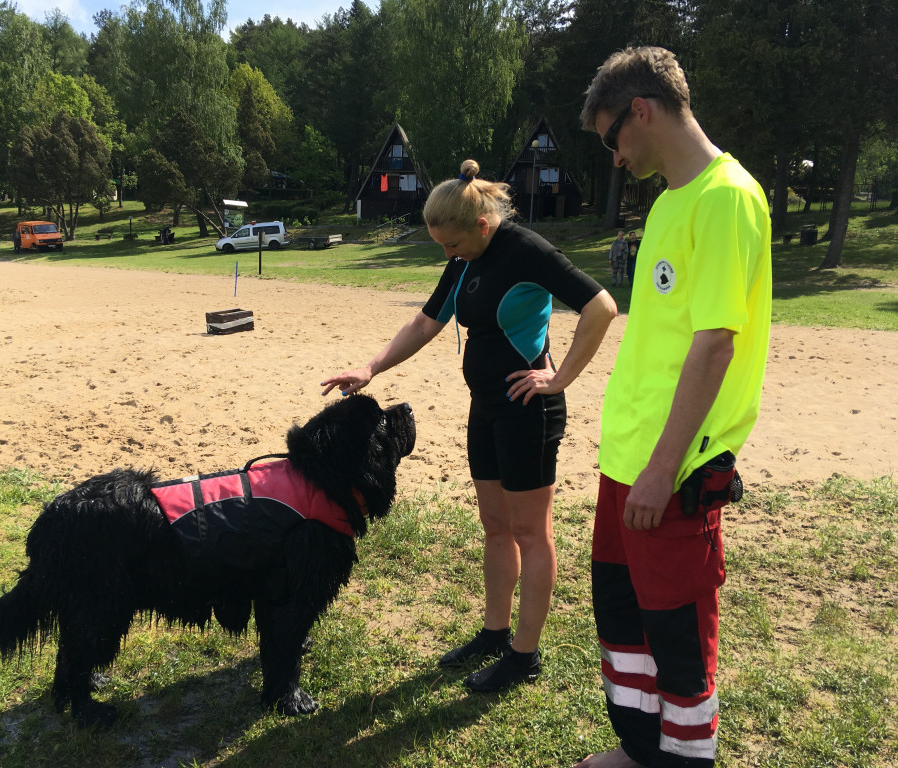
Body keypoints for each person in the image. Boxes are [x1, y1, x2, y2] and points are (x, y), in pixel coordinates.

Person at [322, 158, 617, 693]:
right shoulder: (464, 259)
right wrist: (371, 367)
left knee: (531, 531)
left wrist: (560, 378)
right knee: (495, 525)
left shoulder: (527, 250)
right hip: (486, 408)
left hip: (530, 412)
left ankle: (524, 656)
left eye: (451, 244)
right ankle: (495, 633)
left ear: (481, 225)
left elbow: (601, 306)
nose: (446, 254)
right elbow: (426, 320)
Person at [575, 47, 772, 768]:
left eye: (611, 139)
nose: (615, 159)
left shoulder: (727, 196)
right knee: (625, 619)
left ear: (642, 110)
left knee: (679, 631)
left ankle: (685, 762)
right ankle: (639, 751)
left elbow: (715, 345)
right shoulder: (666, 204)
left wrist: (662, 470)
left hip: (675, 470)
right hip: (626, 459)